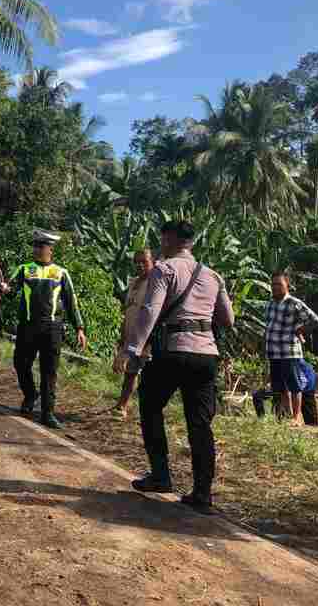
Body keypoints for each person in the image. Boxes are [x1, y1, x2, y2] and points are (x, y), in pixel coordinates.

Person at [114, 220, 235, 514]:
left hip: (172, 351)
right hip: (205, 356)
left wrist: (131, 349)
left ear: (168, 240)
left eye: (162, 240)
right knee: (200, 424)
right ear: (190, 243)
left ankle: (161, 475)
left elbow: (150, 310)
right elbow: (228, 319)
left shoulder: (164, 269)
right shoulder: (212, 275)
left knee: (150, 405)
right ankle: (202, 494)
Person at [7, 230, 87, 428]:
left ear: (50, 250)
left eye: (41, 247)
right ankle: (30, 395)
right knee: (21, 364)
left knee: (49, 371)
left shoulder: (61, 273)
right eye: (35, 246)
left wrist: (79, 328)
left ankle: (48, 413)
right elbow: (10, 290)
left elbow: (71, 302)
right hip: (28, 326)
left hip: (52, 328)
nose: (37, 250)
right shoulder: (24, 269)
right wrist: (4, 289)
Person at [264, 271, 318, 425]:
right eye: (273, 284)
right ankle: (287, 416)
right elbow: (269, 327)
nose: (275, 287)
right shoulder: (270, 304)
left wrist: (300, 330)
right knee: (280, 387)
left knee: (294, 386)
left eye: (279, 284)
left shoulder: (294, 303)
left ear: (287, 285)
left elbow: (315, 320)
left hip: (289, 352)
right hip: (274, 352)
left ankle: (296, 417)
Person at [110, 249, 155, 417]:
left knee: (148, 378)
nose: (140, 265)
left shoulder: (155, 283)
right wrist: (122, 338)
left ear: (153, 261)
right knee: (130, 374)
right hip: (131, 337)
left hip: (147, 339)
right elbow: (127, 310)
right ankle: (122, 406)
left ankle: (148, 413)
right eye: (137, 262)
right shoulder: (134, 283)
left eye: (144, 262)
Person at [252, 358, 318, 425]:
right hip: (291, 384)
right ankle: (265, 419)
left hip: (307, 383)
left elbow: (293, 381)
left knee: (311, 420)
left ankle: (289, 419)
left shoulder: (291, 362)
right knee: (259, 396)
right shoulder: (277, 360)